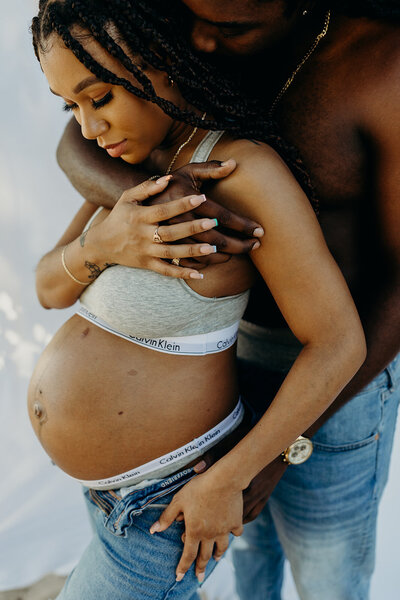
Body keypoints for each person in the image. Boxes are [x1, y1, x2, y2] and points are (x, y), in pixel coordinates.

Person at [56, 1, 400, 598]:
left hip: (340, 379)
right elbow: (77, 135)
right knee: (250, 555)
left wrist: (271, 450)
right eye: (189, 17)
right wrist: (159, 205)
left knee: (327, 574)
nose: (201, 44)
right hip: (226, 360)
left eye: (231, 28)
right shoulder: (195, 35)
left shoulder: (381, 68)